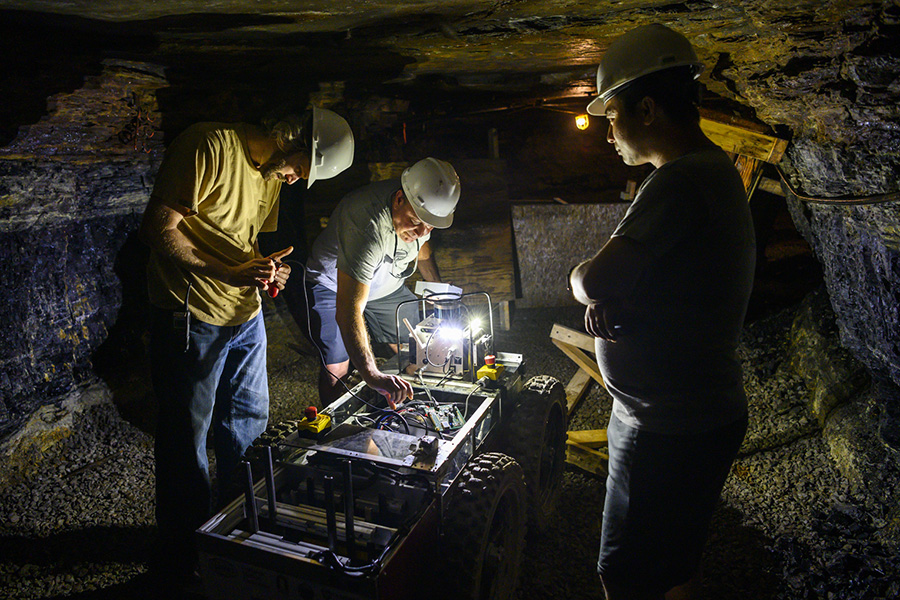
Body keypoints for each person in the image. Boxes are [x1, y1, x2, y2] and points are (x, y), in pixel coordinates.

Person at [568, 24, 756, 600]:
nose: (608, 133)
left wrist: (589, 286)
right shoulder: (711, 170)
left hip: (671, 426)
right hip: (669, 416)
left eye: (612, 114)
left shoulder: (680, 180)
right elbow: (663, 282)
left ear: (646, 108)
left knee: (627, 575)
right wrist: (620, 300)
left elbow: (592, 277)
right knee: (674, 569)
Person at [139, 106, 354, 585]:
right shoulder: (208, 144)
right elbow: (157, 228)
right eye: (303, 168)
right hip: (191, 312)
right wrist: (228, 272)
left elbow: (243, 239)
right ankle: (181, 553)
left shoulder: (273, 174)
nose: (298, 180)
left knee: (249, 427)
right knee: (186, 440)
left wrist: (263, 269)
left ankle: (235, 533)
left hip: (244, 314)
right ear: (291, 139)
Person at [304, 157, 460, 406]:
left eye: (430, 227)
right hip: (335, 284)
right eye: (416, 223)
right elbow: (348, 309)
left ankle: (422, 408)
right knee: (338, 366)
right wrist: (371, 374)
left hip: (385, 283)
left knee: (422, 346)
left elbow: (423, 250)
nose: (421, 233)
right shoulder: (366, 225)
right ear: (399, 199)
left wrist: (439, 292)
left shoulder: (418, 210)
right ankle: (336, 426)